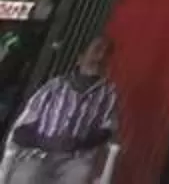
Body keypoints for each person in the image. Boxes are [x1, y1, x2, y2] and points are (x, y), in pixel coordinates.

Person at [1, 33, 117, 184]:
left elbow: (108, 129)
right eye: (97, 50)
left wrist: (79, 142)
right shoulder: (53, 87)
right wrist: (45, 142)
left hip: (76, 159)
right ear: (80, 58)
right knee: (27, 177)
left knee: (79, 176)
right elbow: (20, 130)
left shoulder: (108, 93)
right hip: (39, 153)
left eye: (107, 53)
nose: (101, 57)